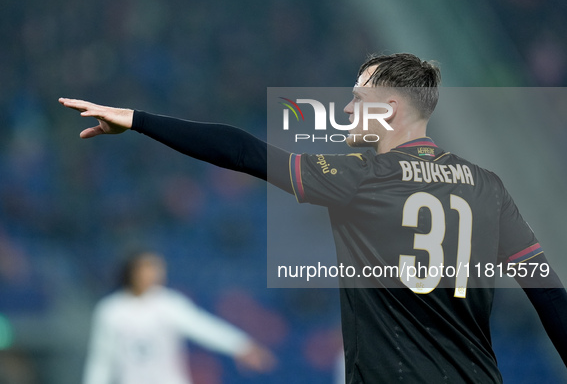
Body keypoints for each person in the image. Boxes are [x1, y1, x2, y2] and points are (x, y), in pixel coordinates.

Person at [62, 53, 567, 383]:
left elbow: (241, 150)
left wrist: (140, 121)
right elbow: (549, 298)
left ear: (389, 109)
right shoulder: (487, 185)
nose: (346, 109)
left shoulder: (358, 176)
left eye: (357, 98)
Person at [82, 251, 275, 384]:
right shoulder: (111, 310)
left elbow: (203, 327)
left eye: (157, 267)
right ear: (132, 271)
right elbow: (102, 357)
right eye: (148, 267)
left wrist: (240, 344)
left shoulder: (168, 304)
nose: (155, 273)